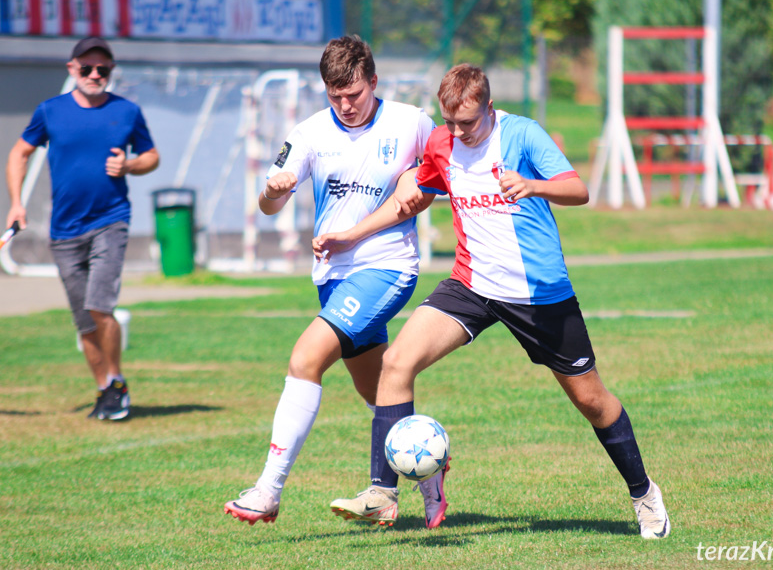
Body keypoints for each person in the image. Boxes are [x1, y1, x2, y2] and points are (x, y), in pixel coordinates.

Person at [317, 64, 670, 539]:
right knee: (397, 362)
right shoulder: (443, 143)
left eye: (468, 122)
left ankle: (644, 494)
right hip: (472, 285)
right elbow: (415, 196)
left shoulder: (523, 135)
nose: (458, 132)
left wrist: (534, 185)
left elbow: (579, 190)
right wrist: (349, 235)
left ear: (488, 107)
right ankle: (383, 493)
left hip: (538, 295)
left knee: (592, 402)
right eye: (450, 122)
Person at [222, 35, 450, 528]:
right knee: (378, 392)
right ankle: (431, 470)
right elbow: (270, 203)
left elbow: (435, 180)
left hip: (388, 267)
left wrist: (419, 186)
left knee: (305, 358)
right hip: (333, 277)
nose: (345, 105)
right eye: (334, 95)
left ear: (373, 81)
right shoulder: (307, 134)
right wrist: (272, 191)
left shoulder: (411, 122)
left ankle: (268, 490)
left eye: (353, 94)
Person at [5, 36, 159, 421]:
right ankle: (104, 390)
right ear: (71, 68)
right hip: (64, 231)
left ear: (110, 71)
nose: (95, 75)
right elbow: (19, 153)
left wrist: (129, 166)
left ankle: (118, 382)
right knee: (84, 320)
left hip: (111, 220)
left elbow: (151, 156)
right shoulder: (50, 111)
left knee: (99, 305)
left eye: (102, 69)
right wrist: (17, 204)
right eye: (87, 68)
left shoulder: (127, 111)